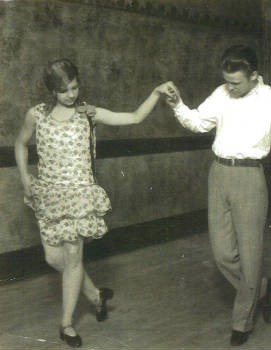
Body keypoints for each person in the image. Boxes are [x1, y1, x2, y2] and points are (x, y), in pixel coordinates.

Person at [162, 44, 271, 346]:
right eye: (227, 81)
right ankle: (261, 287)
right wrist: (177, 103)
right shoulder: (221, 93)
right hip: (219, 174)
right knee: (222, 255)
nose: (230, 88)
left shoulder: (269, 98)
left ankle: (242, 321)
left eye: (236, 82)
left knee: (250, 255)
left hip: (249, 178)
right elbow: (197, 122)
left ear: (254, 76)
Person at [14, 58, 170, 348]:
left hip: (79, 197)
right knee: (53, 259)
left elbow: (134, 117)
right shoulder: (36, 115)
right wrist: (25, 180)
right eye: (64, 91)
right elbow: (20, 144)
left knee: (73, 260)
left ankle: (66, 324)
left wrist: (157, 92)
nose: (71, 94)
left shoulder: (89, 114)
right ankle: (96, 296)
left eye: (74, 87)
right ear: (52, 91)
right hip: (47, 194)